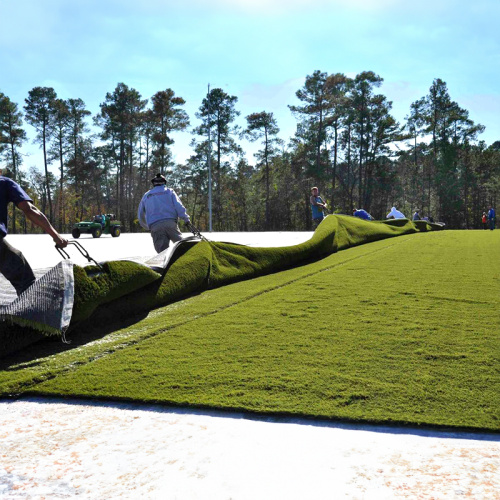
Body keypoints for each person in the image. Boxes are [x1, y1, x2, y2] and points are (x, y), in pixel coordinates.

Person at [0, 173, 68, 296]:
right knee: (24, 279)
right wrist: (55, 235)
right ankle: (29, 312)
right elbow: (29, 209)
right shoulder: (4, 182)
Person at [138, 173, 191, 253]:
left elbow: (140, 214)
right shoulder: (169, 192)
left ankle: (166, 265)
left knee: (162, 254)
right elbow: (179, 206)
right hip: (171, 224)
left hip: (155, 226)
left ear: (153, 183)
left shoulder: (147, 195)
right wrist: (186, 219)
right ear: (164, 182)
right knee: (182, 248)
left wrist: (147, 226)